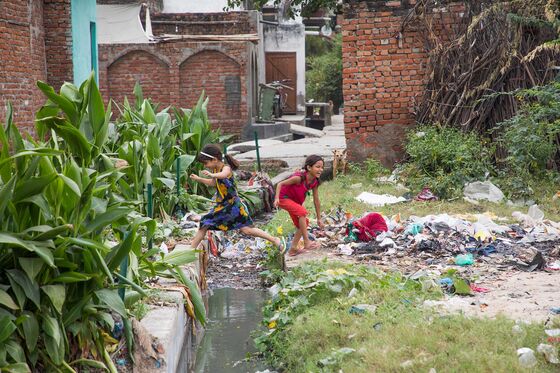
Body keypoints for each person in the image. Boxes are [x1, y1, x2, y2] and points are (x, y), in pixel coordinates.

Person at [189, 144, 285, 252]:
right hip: (223, 206)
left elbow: (224, 175)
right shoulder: (216, 170)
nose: (206, 166)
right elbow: (213, 183)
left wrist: (212, 175)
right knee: (205, 224)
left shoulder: (225, 168)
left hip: (233, 206)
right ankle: (190, 251)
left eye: (206, 163)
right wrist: (199, 179)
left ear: (215, 159)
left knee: (246, 230)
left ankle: (274, 240)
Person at [274, 155, 324, 256]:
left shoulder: (314, 181)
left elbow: (316, 200)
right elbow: (280, 184)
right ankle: (307, 242)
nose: (320, 170)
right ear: (309, 168)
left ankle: (293, 249)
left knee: (304, 222)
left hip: (294, 202)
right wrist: (276, 198)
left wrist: (319, 219)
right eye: (317, 167)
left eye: (322, 167)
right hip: (283, 198)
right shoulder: (298, 178)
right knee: (302, 212)